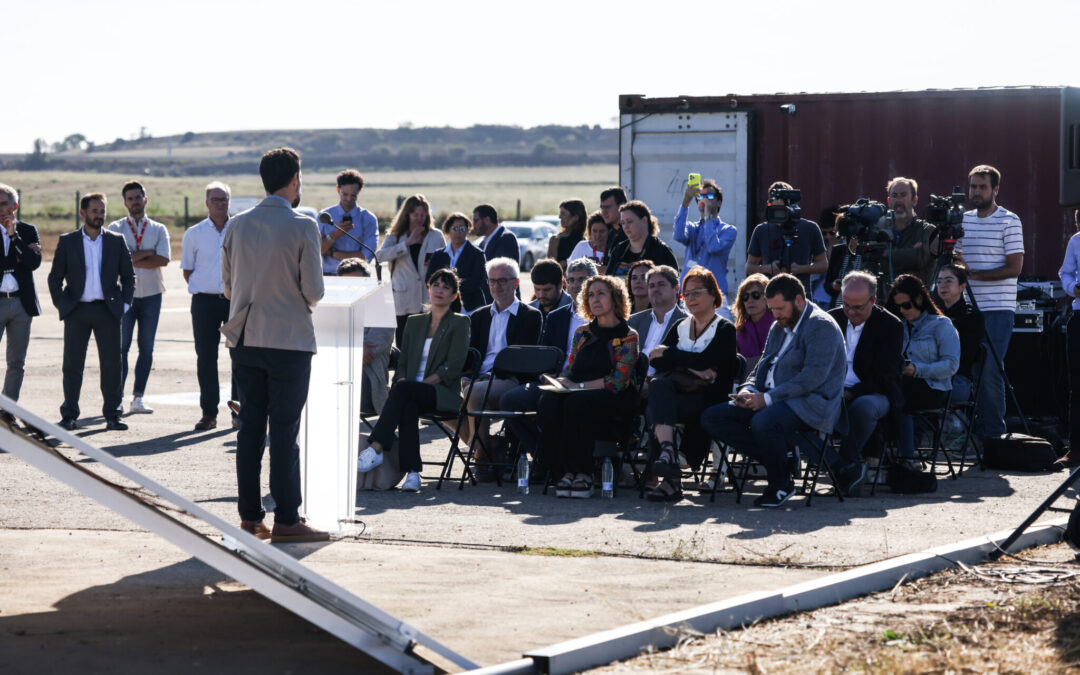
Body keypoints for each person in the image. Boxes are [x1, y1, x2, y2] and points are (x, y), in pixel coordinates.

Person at [220, 147, 327, 543]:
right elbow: (314, 291)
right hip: (289, 340)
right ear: (295, 180)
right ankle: (287, 518)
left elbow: (228, 286)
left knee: (250, 430)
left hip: (246, 336)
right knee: (284, 432)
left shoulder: (236, 225)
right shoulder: (303, 225)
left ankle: (250, 518)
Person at [700, 274, 846, 508]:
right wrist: (747, 389)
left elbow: (812, 378)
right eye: (772, 309)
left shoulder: (821, 326)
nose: (775, 314)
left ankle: (780, 484)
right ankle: (780, 459)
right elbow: (761, 367)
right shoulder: (780, 326)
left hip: (810, 402)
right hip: (774, 399)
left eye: (780, 308)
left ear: (798, 300)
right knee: (712, 417)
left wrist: (767, 399)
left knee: (764, 421)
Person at [356, 269, 470, 493]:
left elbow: (454, 366)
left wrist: (417, 384)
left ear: (454, 296)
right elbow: (403, 361)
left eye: (446, 287)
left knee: (405, 391)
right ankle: (413, 474)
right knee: (407, 403)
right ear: (428, 288)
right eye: (435, 284)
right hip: (409, 393)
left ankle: (377, 446)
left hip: (442, 393)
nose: (439, 289)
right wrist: (402, 379)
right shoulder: (415, 322)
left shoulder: (460, 322)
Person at [541, 275, 639, 498]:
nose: (595, 299)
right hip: (579, 391)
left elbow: (617, 382)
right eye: (591, 295)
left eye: (601, 293)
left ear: (615, 299)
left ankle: (584, 473)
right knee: (549, 400)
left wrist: (578, 386)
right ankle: (562, 472)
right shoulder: (582, 333)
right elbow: (571, 368)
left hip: (614, 399)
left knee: (577, 403)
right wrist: (561, 382)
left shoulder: (628, 336)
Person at [646, 266, 737, 501]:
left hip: (710, 398)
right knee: (657, 387)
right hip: (679, 395)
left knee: (659, 405)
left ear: (713, 294)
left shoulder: (725, 328)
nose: (691, 298)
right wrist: (694, 366)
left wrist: (674, 357)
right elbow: (656, 361)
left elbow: (713, 363)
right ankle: (669, 453)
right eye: (687, 293)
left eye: (697, 292)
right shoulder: (681, 326)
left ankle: (670, 477)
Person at [498, 258, 598, 465]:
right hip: (554, 382)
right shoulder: (556, 316)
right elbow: (543, 355)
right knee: (509, 400)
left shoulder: (601, 317)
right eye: (572, 280)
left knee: (552, 404)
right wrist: (544, 375)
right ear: (566, 283)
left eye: (582, 280)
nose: (576, 285)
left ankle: (551, 460)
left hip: (587, 383)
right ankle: (545, 457)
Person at [48, 193, 135, 431]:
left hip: (108, 311)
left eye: (102, 211)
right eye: (95, 211)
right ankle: (69, 415)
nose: (99, 215)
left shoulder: (116, 240)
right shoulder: (68, 241)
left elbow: (128, 276)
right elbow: (55, 277)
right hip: (77, 311)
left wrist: (124, 304)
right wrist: (62, 304)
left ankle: (113, 415)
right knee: (72, 365)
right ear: (83, 213)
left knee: (112, 365)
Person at [956, 164, 1023, 444]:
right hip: (964, 307)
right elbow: (954, 258)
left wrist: (974, 275)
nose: (976, 192)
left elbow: (1015, 267)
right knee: (962, 370)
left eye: (982, 187)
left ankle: (992, 438)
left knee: (989, 372)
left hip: (997, 309)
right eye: (973, 186)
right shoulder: (961, 220)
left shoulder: (1010, 220)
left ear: (995, 189)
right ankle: (962, 434)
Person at [460, 257, 541, 469]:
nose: (497, 286)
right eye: (492, 281)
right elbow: (472, 355)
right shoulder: (479, 316)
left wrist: (484, 378)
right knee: (442, 397)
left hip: (511, 380)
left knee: (473, 393)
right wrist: (467, 376)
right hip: (479, 380)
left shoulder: (530, 316)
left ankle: (480, 451)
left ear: (516, 283)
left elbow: (520, 359)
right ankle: (489, 446)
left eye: (503, 280)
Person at [826, 271, 904, 495]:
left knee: (864, 407)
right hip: (832, 389)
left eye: (858, 307)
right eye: (847, 305)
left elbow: (884, 374)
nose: (851, 312)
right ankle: (843, 468)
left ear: (873, 300)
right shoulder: (832, 319)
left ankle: (846, 465)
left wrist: (851, 393)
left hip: (875, 392)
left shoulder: (890, 325)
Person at [107, 180, 170, 414]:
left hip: (152, 295)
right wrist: (146, 254)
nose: (135, 201)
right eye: (130, 198)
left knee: (147, 347)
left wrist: (132, 256)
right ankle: (117, 398)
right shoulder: (115, 228)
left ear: (146, 199)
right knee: (121, 348)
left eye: (138, 197)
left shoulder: (158, 229)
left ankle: (138, 397)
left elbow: (162, 260)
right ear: (125, 202)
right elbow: (115, 260)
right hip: (125, 296)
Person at [181, 181, 238, 430]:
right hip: (204, 302)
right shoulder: (194, 234)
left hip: (235, 301)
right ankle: (209, 413)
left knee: (241, 357)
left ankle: (240, 410)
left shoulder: (239, 229)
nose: (220, 204)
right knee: (206, 358)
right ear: (206, 203)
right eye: (215, 200)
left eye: (224, 199)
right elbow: (188, 270)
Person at [885, 274, 960, 465]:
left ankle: (905, 456)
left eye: (907, 305)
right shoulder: (897, 326)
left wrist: (918, 369)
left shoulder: (941, 325)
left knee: (897, 395)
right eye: (898, 307)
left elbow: (951, 365)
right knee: (880, 393)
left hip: (933, 387)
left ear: (919, 299)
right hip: (903, 383)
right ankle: (883, 454)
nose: (903, 311)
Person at [379, 194, 446, 345]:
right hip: (404, 300)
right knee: (404, 343)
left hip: (428, 299)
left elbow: (446, 262)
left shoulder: (435, 236)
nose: (419, 218)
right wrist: (405, 245)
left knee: (426, 344)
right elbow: (379, 257)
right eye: (416, 214)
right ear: (407, 214)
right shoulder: (395, 236)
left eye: (423, 215)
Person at [0, 184, 42, 411]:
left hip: (21, 304)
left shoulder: (27, 231)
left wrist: (14, 237)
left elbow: (33, 263)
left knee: (16, 362)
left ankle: (7, 411)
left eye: (3, 203)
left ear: (14, 206)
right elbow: (19, 261)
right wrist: (19, 258)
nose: (0, 208)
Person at [338, 257, 394, 416]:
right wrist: (358, 346)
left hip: (368, 381)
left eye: (358, 283)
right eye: (347, 284)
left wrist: (347, 345)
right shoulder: (335, 308)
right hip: (336, 374)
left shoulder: (382, 309)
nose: (352, 288)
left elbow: (370, 352)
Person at [745, 181, 827, 291]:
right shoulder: (761, 230)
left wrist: (800, 269)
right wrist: (768, 268)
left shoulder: (810, 228)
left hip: (801, 293)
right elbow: (749, 267)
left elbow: (823, 264)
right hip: (771, 294)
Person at [675, 178, 737, 296]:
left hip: (714, 294)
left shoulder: (728, 230)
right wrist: (686, 201)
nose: (703, 199)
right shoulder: (692, 227)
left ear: (719, 202)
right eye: (700, 196)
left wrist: (708, 216)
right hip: (689, 292)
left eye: (708, 196)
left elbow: (713, 247)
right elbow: (678, 235)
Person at [933, 263, 984, 405]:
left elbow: (964, 357)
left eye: (949, 281)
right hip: (931, 375)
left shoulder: (972, 317)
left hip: (957, 380)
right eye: (939, 281)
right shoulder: (933, 315)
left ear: (962, 286)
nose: (943, 285)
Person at [628, 265, 685, 377]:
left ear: (676, 289)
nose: (655, 289)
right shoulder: (633, 321)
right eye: (651, 286)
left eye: (661, 284)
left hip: (665, 386)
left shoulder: (687, 323)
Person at [318, 169, 378, 274]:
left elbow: (366, 256)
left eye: (353, 195)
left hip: (356, 277)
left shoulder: (369, 219)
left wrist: (333, 253)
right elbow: (317, 251)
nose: (349, 199)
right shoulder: (324, 216)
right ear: (338, 189)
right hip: (328, 276)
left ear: (359, 191)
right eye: (345, 194)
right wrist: (336, 234)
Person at [425, 212, 487, 313]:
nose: (458, 232)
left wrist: (448, 288)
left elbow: (476, 282)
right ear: (448, 230)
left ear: (467, 230)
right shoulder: (438, 254)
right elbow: (429, 279)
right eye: (454, 228)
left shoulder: (477, 254)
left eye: (462, 229)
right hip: (443, 307)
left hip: (471, 308)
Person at [886, 177, 939, 288]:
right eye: (894, 196)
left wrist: (887, 254)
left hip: (917, 301)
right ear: (889, 201)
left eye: (903, 195)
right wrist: (908, 253)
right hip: (885, 301)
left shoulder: (928, 230)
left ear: (915, 200)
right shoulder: (881, 231)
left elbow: (920, 258)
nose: (899, 200)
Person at [606, 200, 678, 277]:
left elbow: (674, 283)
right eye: (623, 223)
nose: (626, 226)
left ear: (644, 220)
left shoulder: (661, 250)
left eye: (629, 221)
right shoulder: (619, 250)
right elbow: (609, 282)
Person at [1058, 209, 1080, 465]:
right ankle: (1076, 449)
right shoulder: (1076, 241)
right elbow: (1065, 273)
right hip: (1079, 317)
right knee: (1077, 387)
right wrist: (1073, 288)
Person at [732, 273, 774, 373]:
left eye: (755, 295)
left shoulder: (779, 325)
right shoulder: (738, 330)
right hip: (746, 384)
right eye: (745, 297)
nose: (750, 300)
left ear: (767, 297)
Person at [547, 198, 587, 267]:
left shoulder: (587, 241)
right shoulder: (556, 240)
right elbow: (550, 268)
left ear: (575, 217)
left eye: (563, 213)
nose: (559, 217)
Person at [599, 186, 628, 257]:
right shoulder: (610, 232)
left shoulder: (629, 232)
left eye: (608, 207)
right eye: (602, 208)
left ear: (622, 205)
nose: (604, 212)